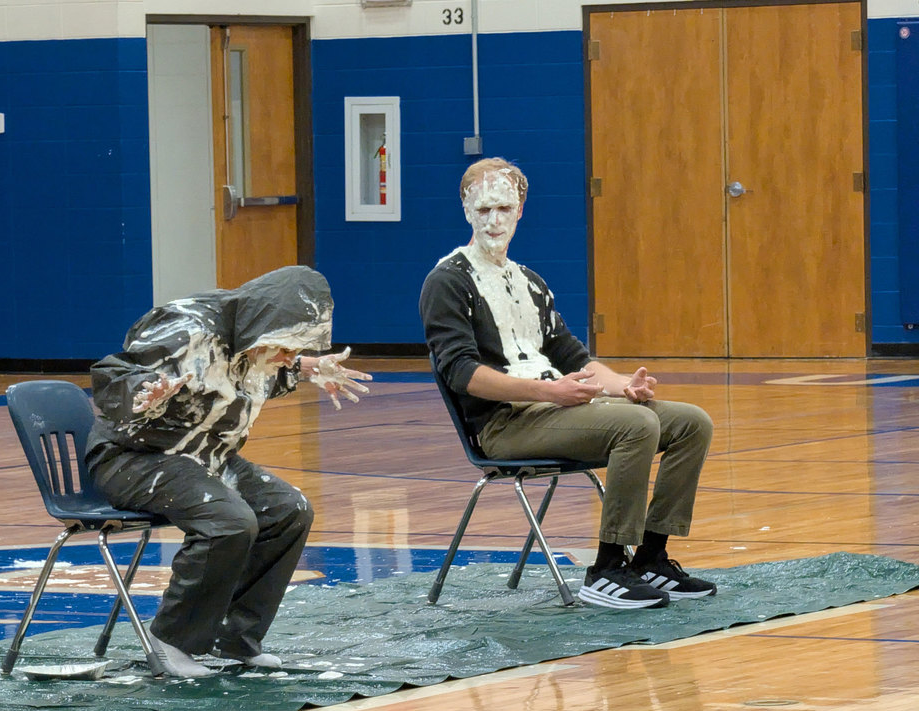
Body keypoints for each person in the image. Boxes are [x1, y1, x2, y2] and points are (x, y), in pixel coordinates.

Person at [420, 157, 715, 610]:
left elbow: (574, 358)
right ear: (466, 211)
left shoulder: (531, 283)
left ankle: (651, 558)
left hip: (556, 409)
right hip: (505, 425)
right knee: (637, 426)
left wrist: (623, 386)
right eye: (483, 210)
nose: (494, 220)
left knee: (693, 423)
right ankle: (607, 567)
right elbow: (462, 374)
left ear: (521, 210)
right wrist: (549, 392)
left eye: (504, 208)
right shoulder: (447, 282)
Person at [86, 265, 371, 677]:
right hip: (132, 457)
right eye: (287, 348)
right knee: (230, 521)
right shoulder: (186, 330)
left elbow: (244, 379)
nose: (290, 358)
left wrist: (305, 367)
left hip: (203, 454)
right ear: (265, 327)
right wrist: (145, 393)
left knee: (289, 510)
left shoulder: (255, 341)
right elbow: (113, 375)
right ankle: (171, 640)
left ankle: (233, 637)